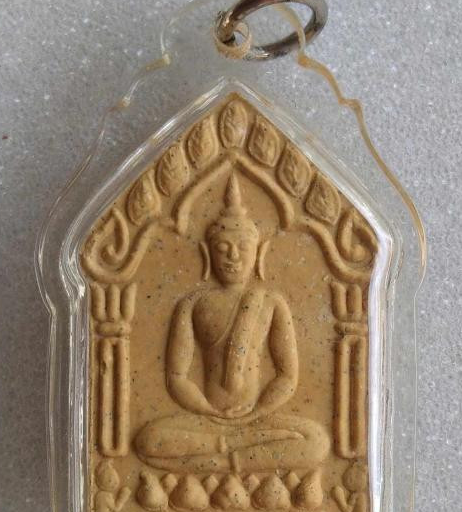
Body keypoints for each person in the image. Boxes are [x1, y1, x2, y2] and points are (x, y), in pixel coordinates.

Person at [135, 175, 329, 474]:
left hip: (258, 418)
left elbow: (287, 376)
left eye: (242, 247)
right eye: (223, 248)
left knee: (317, 441)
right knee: (149, 438)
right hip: (207, 420)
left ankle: (222, 461)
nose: (233, 256)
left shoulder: (272, 302)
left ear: (259, 252)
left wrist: (258, 411)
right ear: (207, 253)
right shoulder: (192, 303)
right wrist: (208, 410)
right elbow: (177, 376)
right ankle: (236, 452)